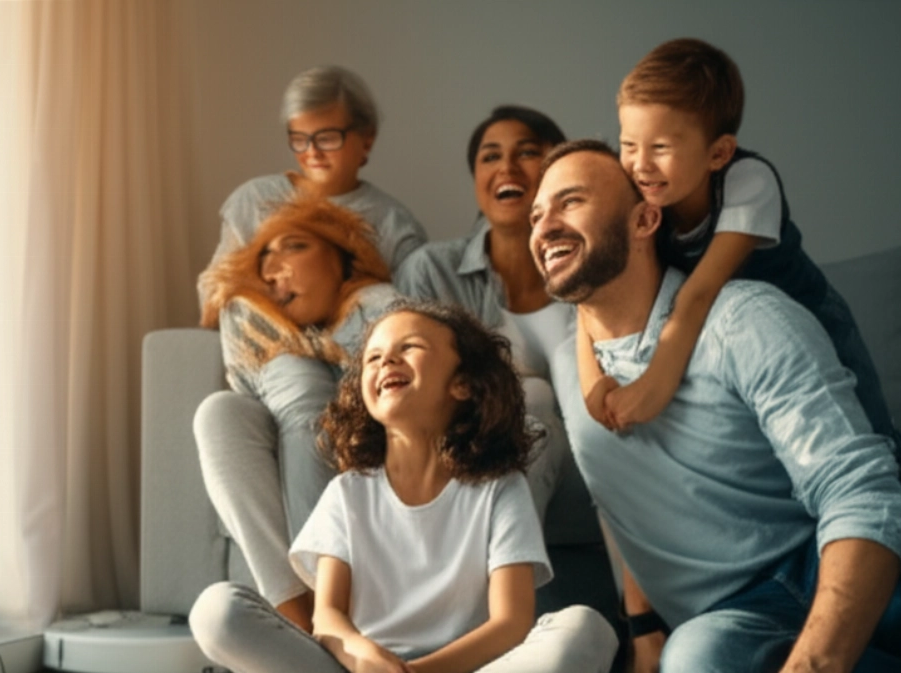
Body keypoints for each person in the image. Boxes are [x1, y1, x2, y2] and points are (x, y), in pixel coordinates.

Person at [526, 139, 901, 672]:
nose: (543, 226)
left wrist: (813, 664)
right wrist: (644, 628)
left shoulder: (744, 321)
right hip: (738, 617)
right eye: (537, 215)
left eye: (570, 201)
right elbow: (621, 498)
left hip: (846, 558)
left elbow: (860, 494)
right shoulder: (567, 369)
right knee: (695, 658)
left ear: (644, 220)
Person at [190, 300, 619, 673]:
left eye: (408, 348)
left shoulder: (500, 490)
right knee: (218, 612)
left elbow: (510, 623)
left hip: (457, 670)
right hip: (358, 669)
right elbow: (328, 618)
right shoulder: (348, 492)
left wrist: (416, 672)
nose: (385, 362)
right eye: (373, 358)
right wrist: (362, 655)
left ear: (463, 384)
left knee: (587, 630)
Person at [577, 38, 893, 448]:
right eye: (629, 145)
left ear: (719, 153)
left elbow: (698, 293)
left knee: (875, 442)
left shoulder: (749, 181)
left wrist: (654, 383)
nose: (640, 165)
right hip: (728, 342)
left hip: (809, 322)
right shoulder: (640, 191)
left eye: (660, 148)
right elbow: (592, 288)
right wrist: (593, 383)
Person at [196, 192, 400, 632]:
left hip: (375, 453)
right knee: (219, 414)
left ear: (342, 257)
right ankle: (299, 618)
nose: (273, 270)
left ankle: (328, 611)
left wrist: (316, 364)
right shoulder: (259, 329)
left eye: (294, 246)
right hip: (281, 425)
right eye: (263, 258)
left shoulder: (378, 303)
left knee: (302, 379)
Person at [395, 105, 569, 520]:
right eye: (490, 156)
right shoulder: (432, 270)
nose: (507, 166)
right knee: (534, 394)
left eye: (526, 153)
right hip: (469, 462)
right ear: (476, 179)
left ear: (559, 169)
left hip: (584, 468)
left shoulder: (592, 267)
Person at [199, 65, 427, 305]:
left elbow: (408, 315)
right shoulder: (254, 200)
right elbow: (214, 293)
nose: (312, 152)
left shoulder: (396, 225)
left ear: (367, 139)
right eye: (299, 140)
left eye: (327, 138)